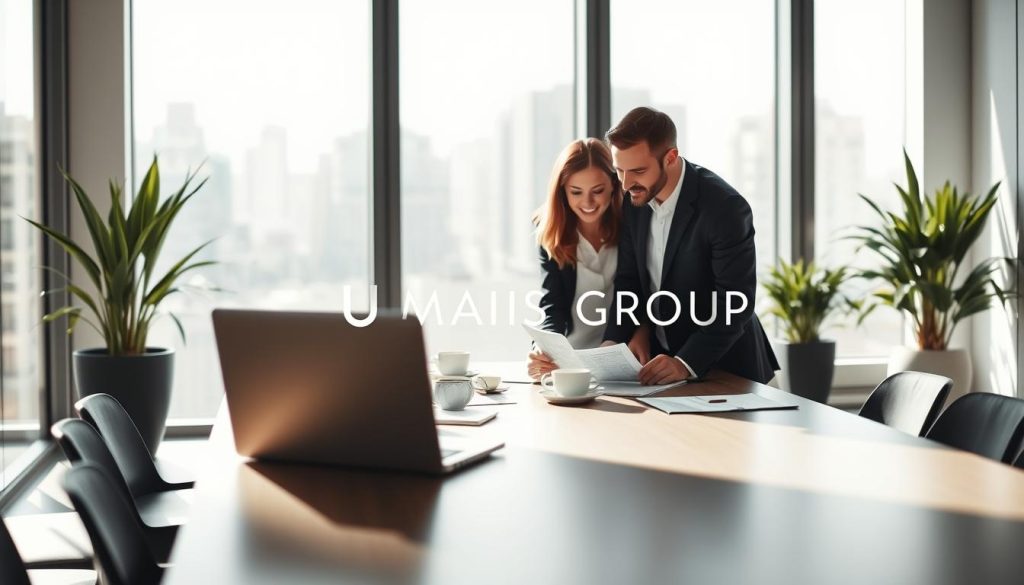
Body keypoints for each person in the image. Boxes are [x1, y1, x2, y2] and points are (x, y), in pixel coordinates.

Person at [602, 106, 778, 384]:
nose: (625, 184)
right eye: (619, 170)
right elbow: (630, 280)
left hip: (728, 370)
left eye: (637, 170)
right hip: (661, 371)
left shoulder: (725, 208)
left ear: (671, 157)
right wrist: (614, 342)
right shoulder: (634, 196)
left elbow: (735, 303)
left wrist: (685, 363)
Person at [527, 138, 624, 381]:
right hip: (571, 362)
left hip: (620, 359)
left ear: (614, 184)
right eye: (576, 192)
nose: (588, 203)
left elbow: (638, 296)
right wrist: (543, 348)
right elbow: (552, 304)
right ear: (562, 191)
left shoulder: (632, 226)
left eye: (598, 191)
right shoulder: (551, 232)